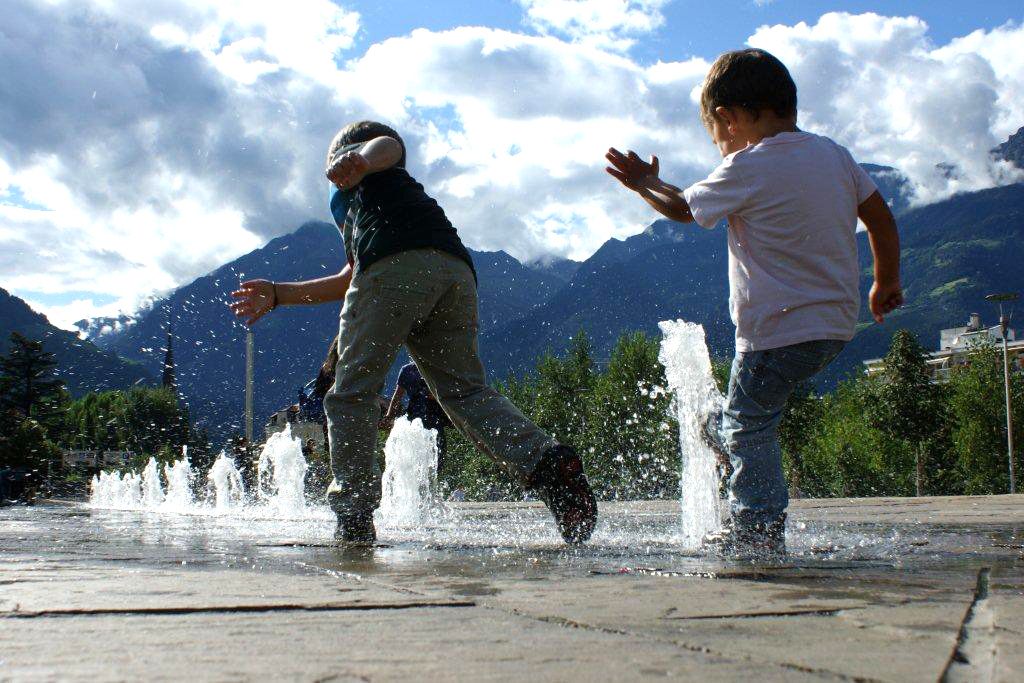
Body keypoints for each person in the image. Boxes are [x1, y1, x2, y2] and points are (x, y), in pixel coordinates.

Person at [230, 120, 597, 546]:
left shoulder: (371, 164)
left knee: (353, 392)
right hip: (453, 269)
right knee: (465, 394)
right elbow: (352, 275)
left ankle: (353, 514)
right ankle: (549, 464)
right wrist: (279, 294)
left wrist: (360, 157)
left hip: (393, 269)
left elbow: (388, 144)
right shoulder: (385, 199)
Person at [606, 48, 902, 559]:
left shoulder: (749, 165)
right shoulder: (833, 155)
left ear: (729, 118)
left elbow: (683, 208)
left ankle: (757, 525)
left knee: (748, 424)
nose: (720, 147)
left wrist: (645, 184)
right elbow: (879, 217)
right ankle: (730, 449)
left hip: (775, 331)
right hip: (833, 326)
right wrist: (884, 282)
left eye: (716, 136)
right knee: (733, 422)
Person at [383, 361, 451, 477]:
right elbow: (397, 396)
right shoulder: (410, 370)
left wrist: (435, 396)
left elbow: (397, 396)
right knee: (430, 457)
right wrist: (389, 416)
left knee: (435, 459)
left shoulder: (414, 369)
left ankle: (425, 483)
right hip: (420, 420)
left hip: (428, 419)